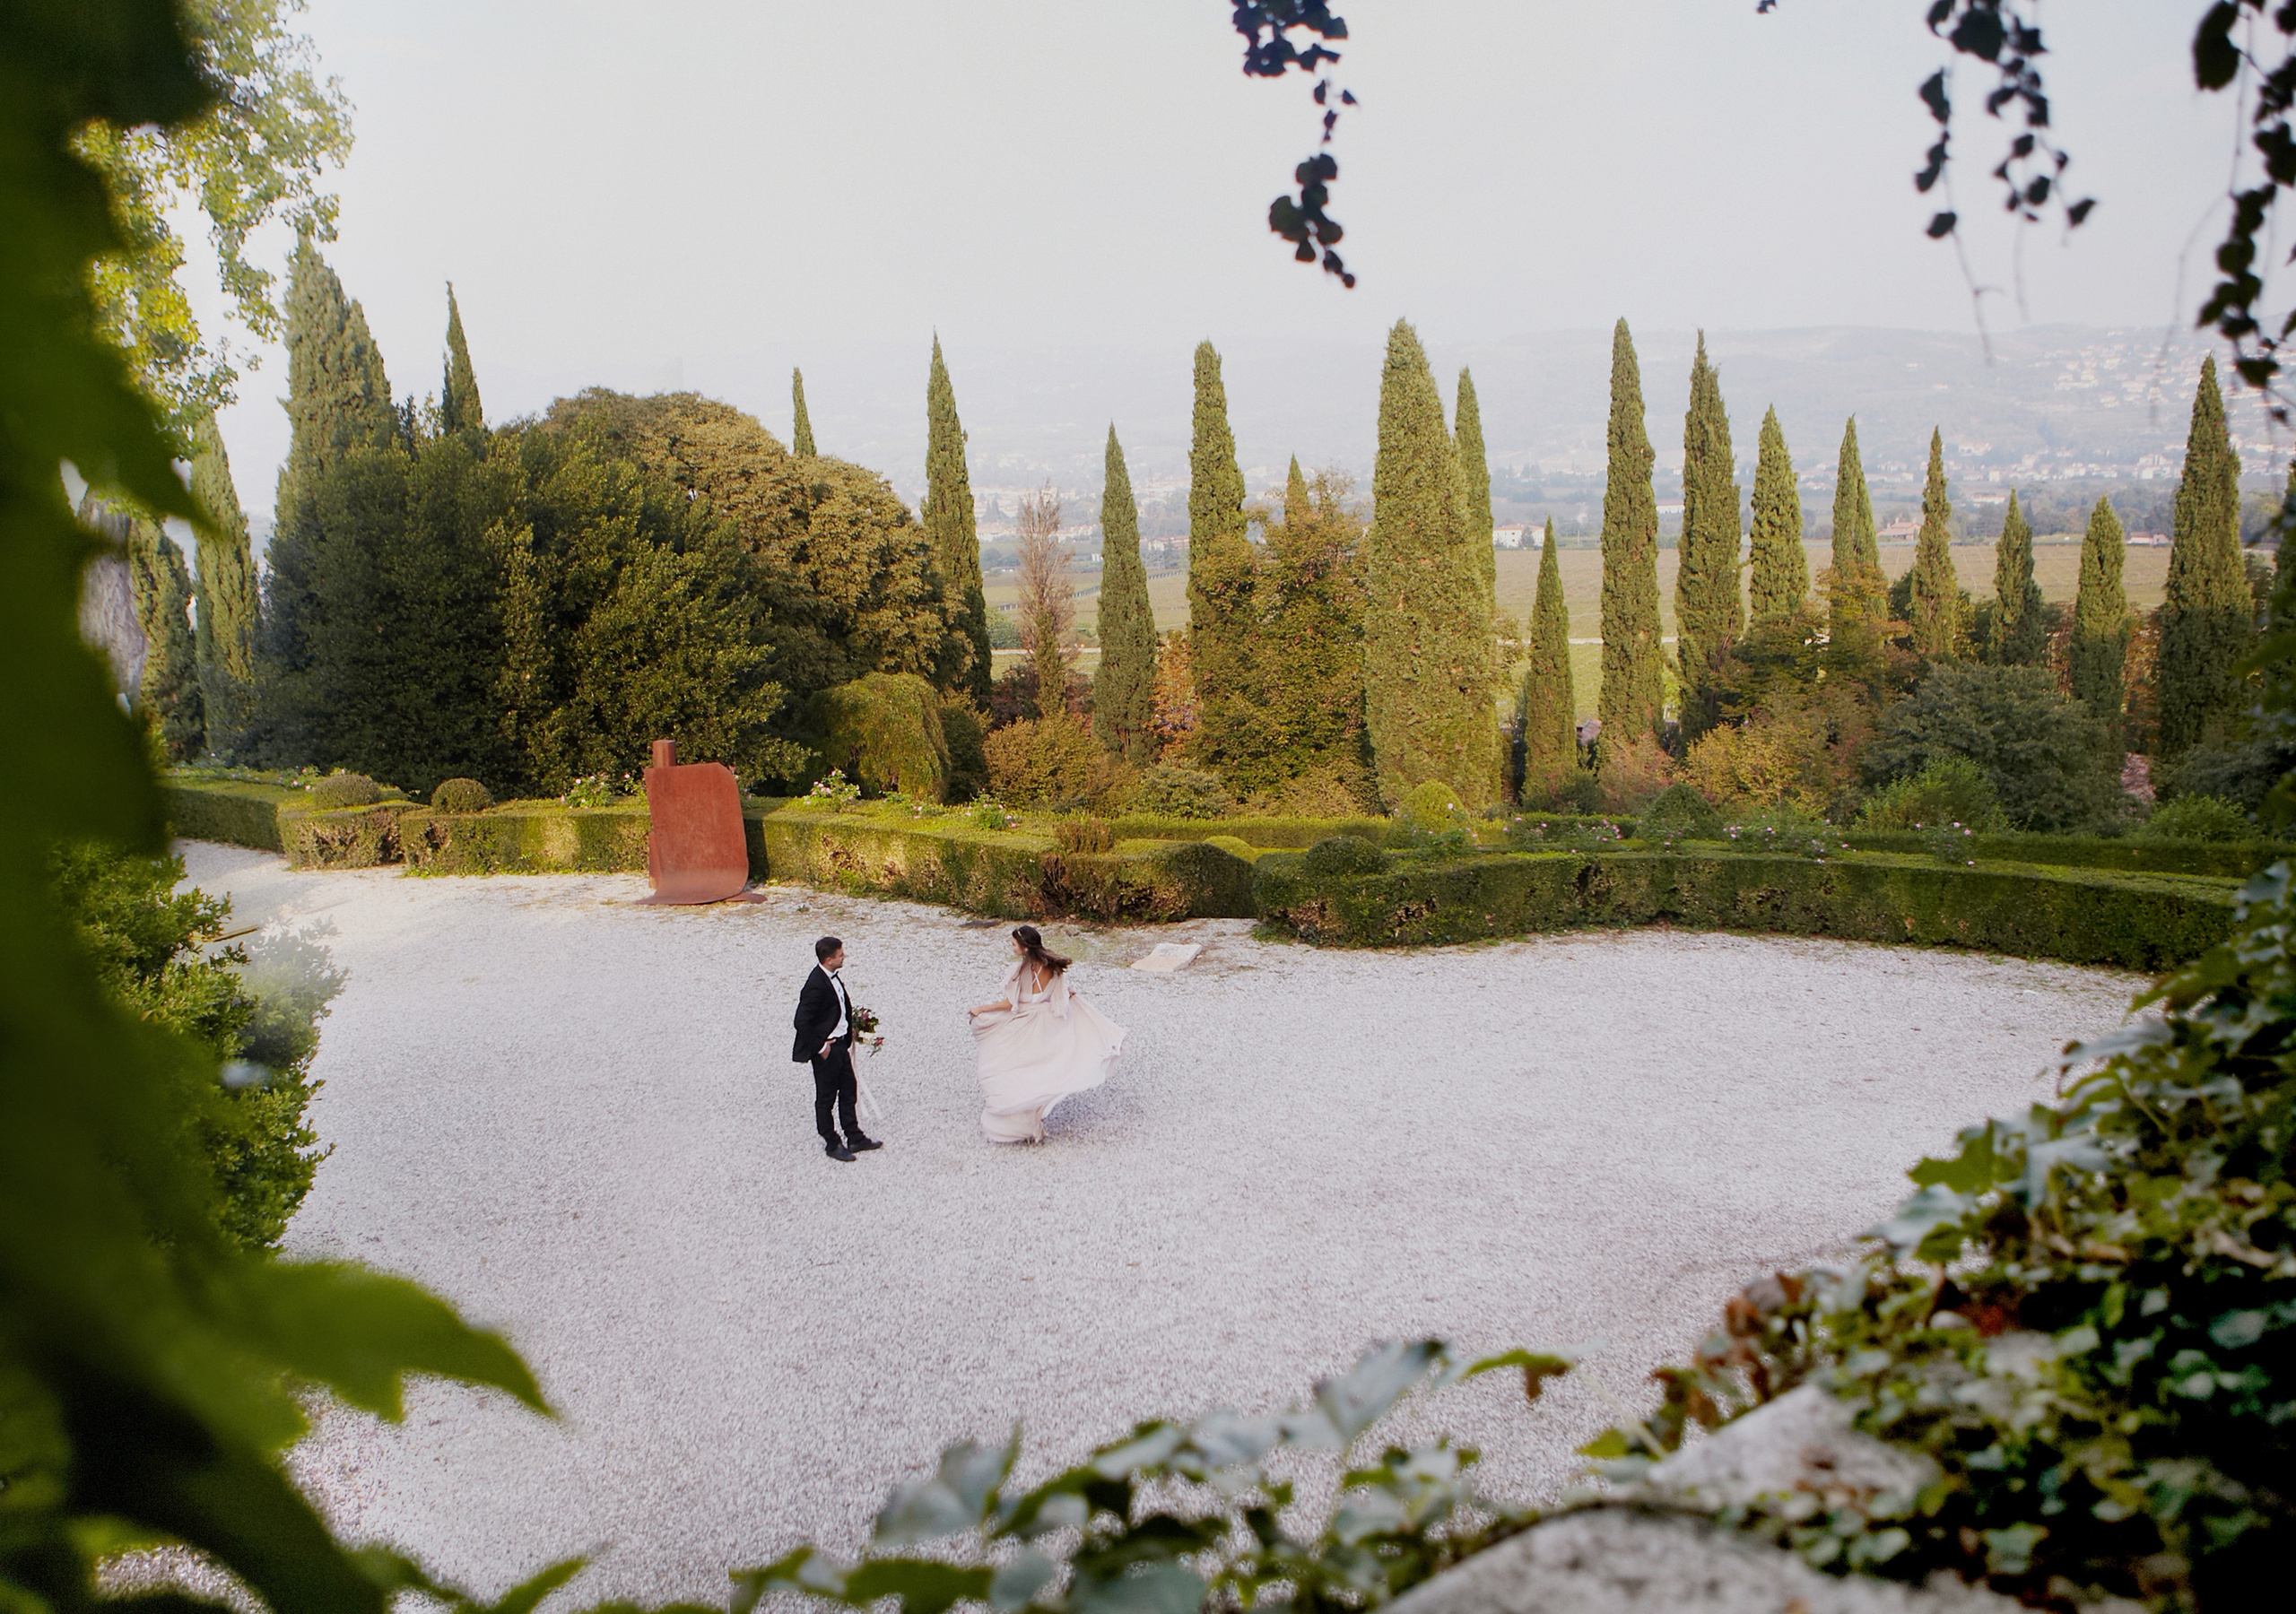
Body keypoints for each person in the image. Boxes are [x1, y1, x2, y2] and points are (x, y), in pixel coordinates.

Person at [965, 924, 1125, 1143]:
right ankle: (1032, 1118)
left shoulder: (1021, 971)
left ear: (1024, 948)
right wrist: (1067, 995)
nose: (1011, 948)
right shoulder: (1051, 966)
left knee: (1010, 1065)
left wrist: (983, 1008)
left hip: (1028, 1020)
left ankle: (1021, 1122)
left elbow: (1011, 1003)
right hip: (1046, 1020)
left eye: (1013, 944)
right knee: (1042, 1068)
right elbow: (1052, 997)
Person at [792, 935, 883, 1162]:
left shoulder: (830, 978)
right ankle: (831, 1142)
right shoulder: (814, 984)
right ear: (830, 959)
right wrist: (820, 1047)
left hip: (840, 1044)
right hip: (827, 1050)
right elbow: (801, 1021)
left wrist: (848, 1028)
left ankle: (854, 1136)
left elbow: (836, 1008)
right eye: (841, 955)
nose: (844, 957)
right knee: (826, 1097)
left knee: (848, 1089)